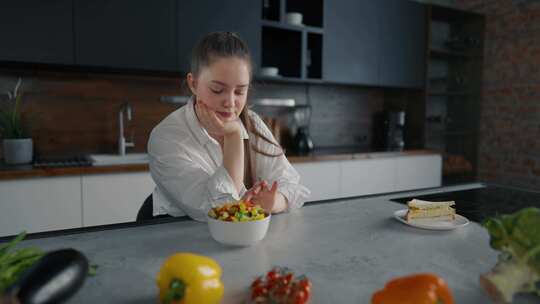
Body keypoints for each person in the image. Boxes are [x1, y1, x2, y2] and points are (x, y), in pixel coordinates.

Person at [147, 32, 310, 221]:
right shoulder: (166, 137)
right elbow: (219, 209)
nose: (231, 103)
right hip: (174, 235)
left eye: (240, 91)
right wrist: (233, 136)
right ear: (193, 83)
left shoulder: (252, 122)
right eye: (217, 90)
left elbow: (292, 184)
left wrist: (274, 202)